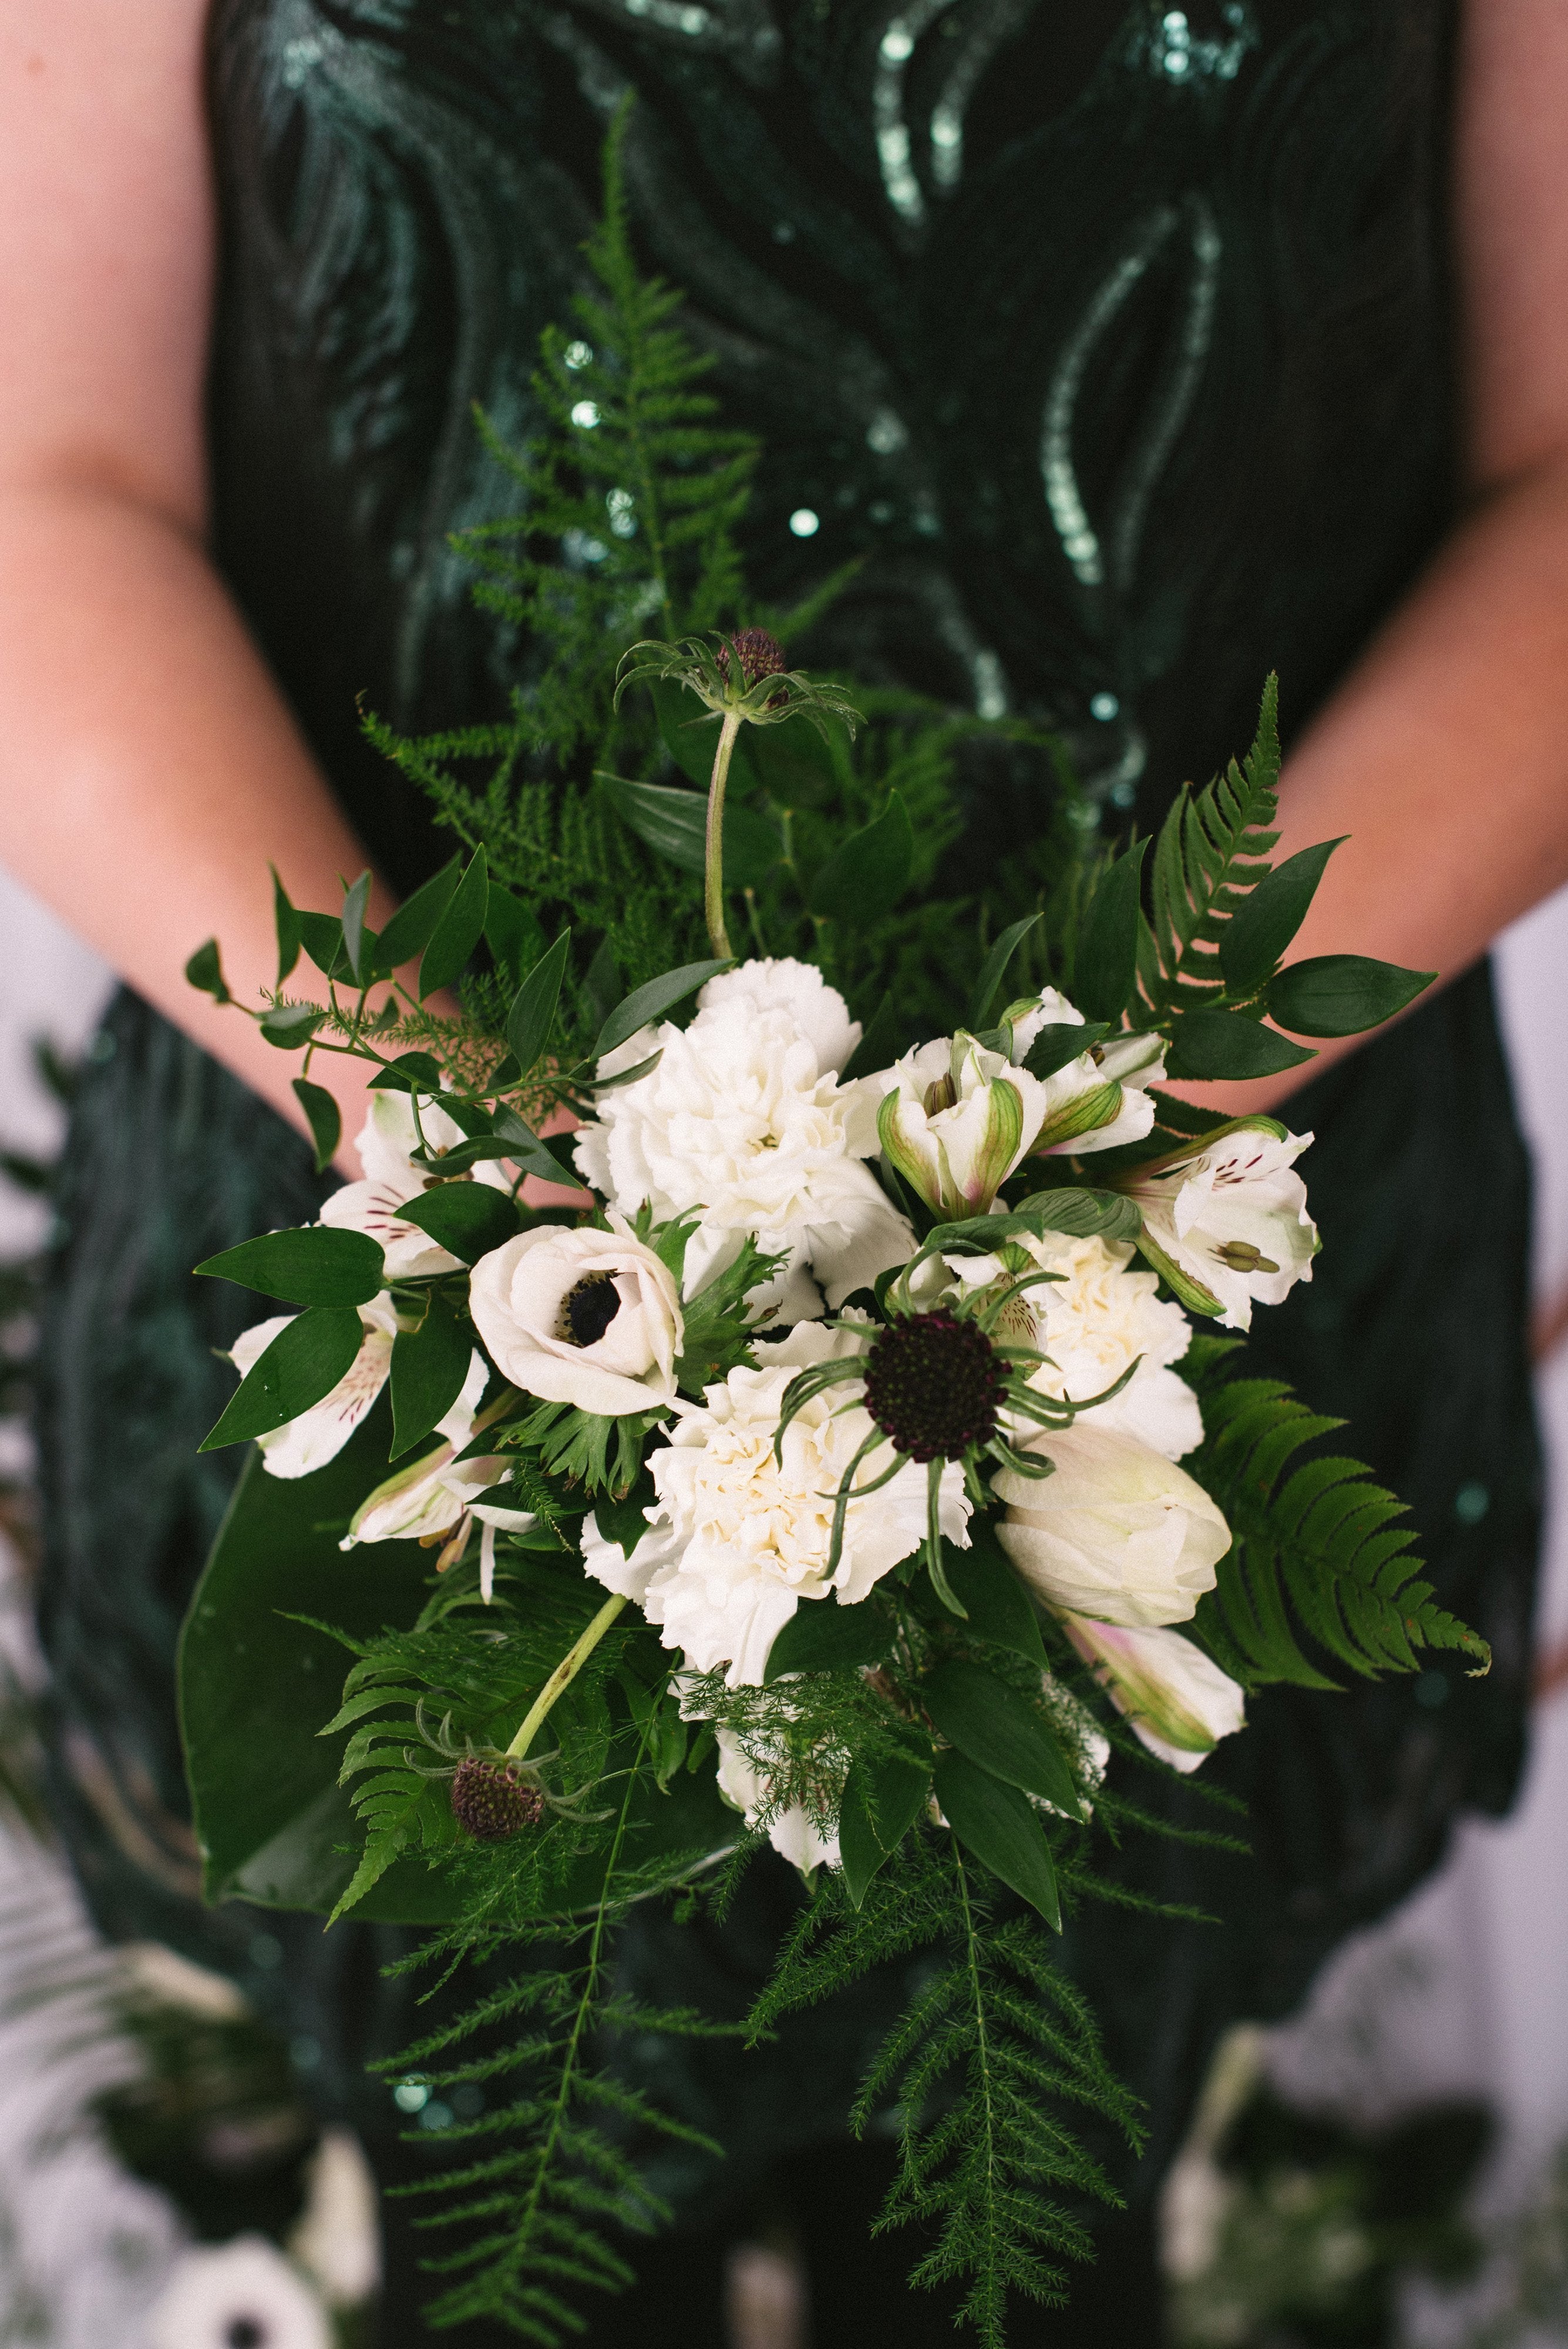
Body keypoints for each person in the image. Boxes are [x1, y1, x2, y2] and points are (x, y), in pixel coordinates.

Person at [2, 1, 1566, 2340]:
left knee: (1041, 2227)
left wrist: (1100, 1147)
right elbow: (48, 478)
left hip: (1183, 1290)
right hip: (435, 1287)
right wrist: (468, 1170)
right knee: (502, 2222)